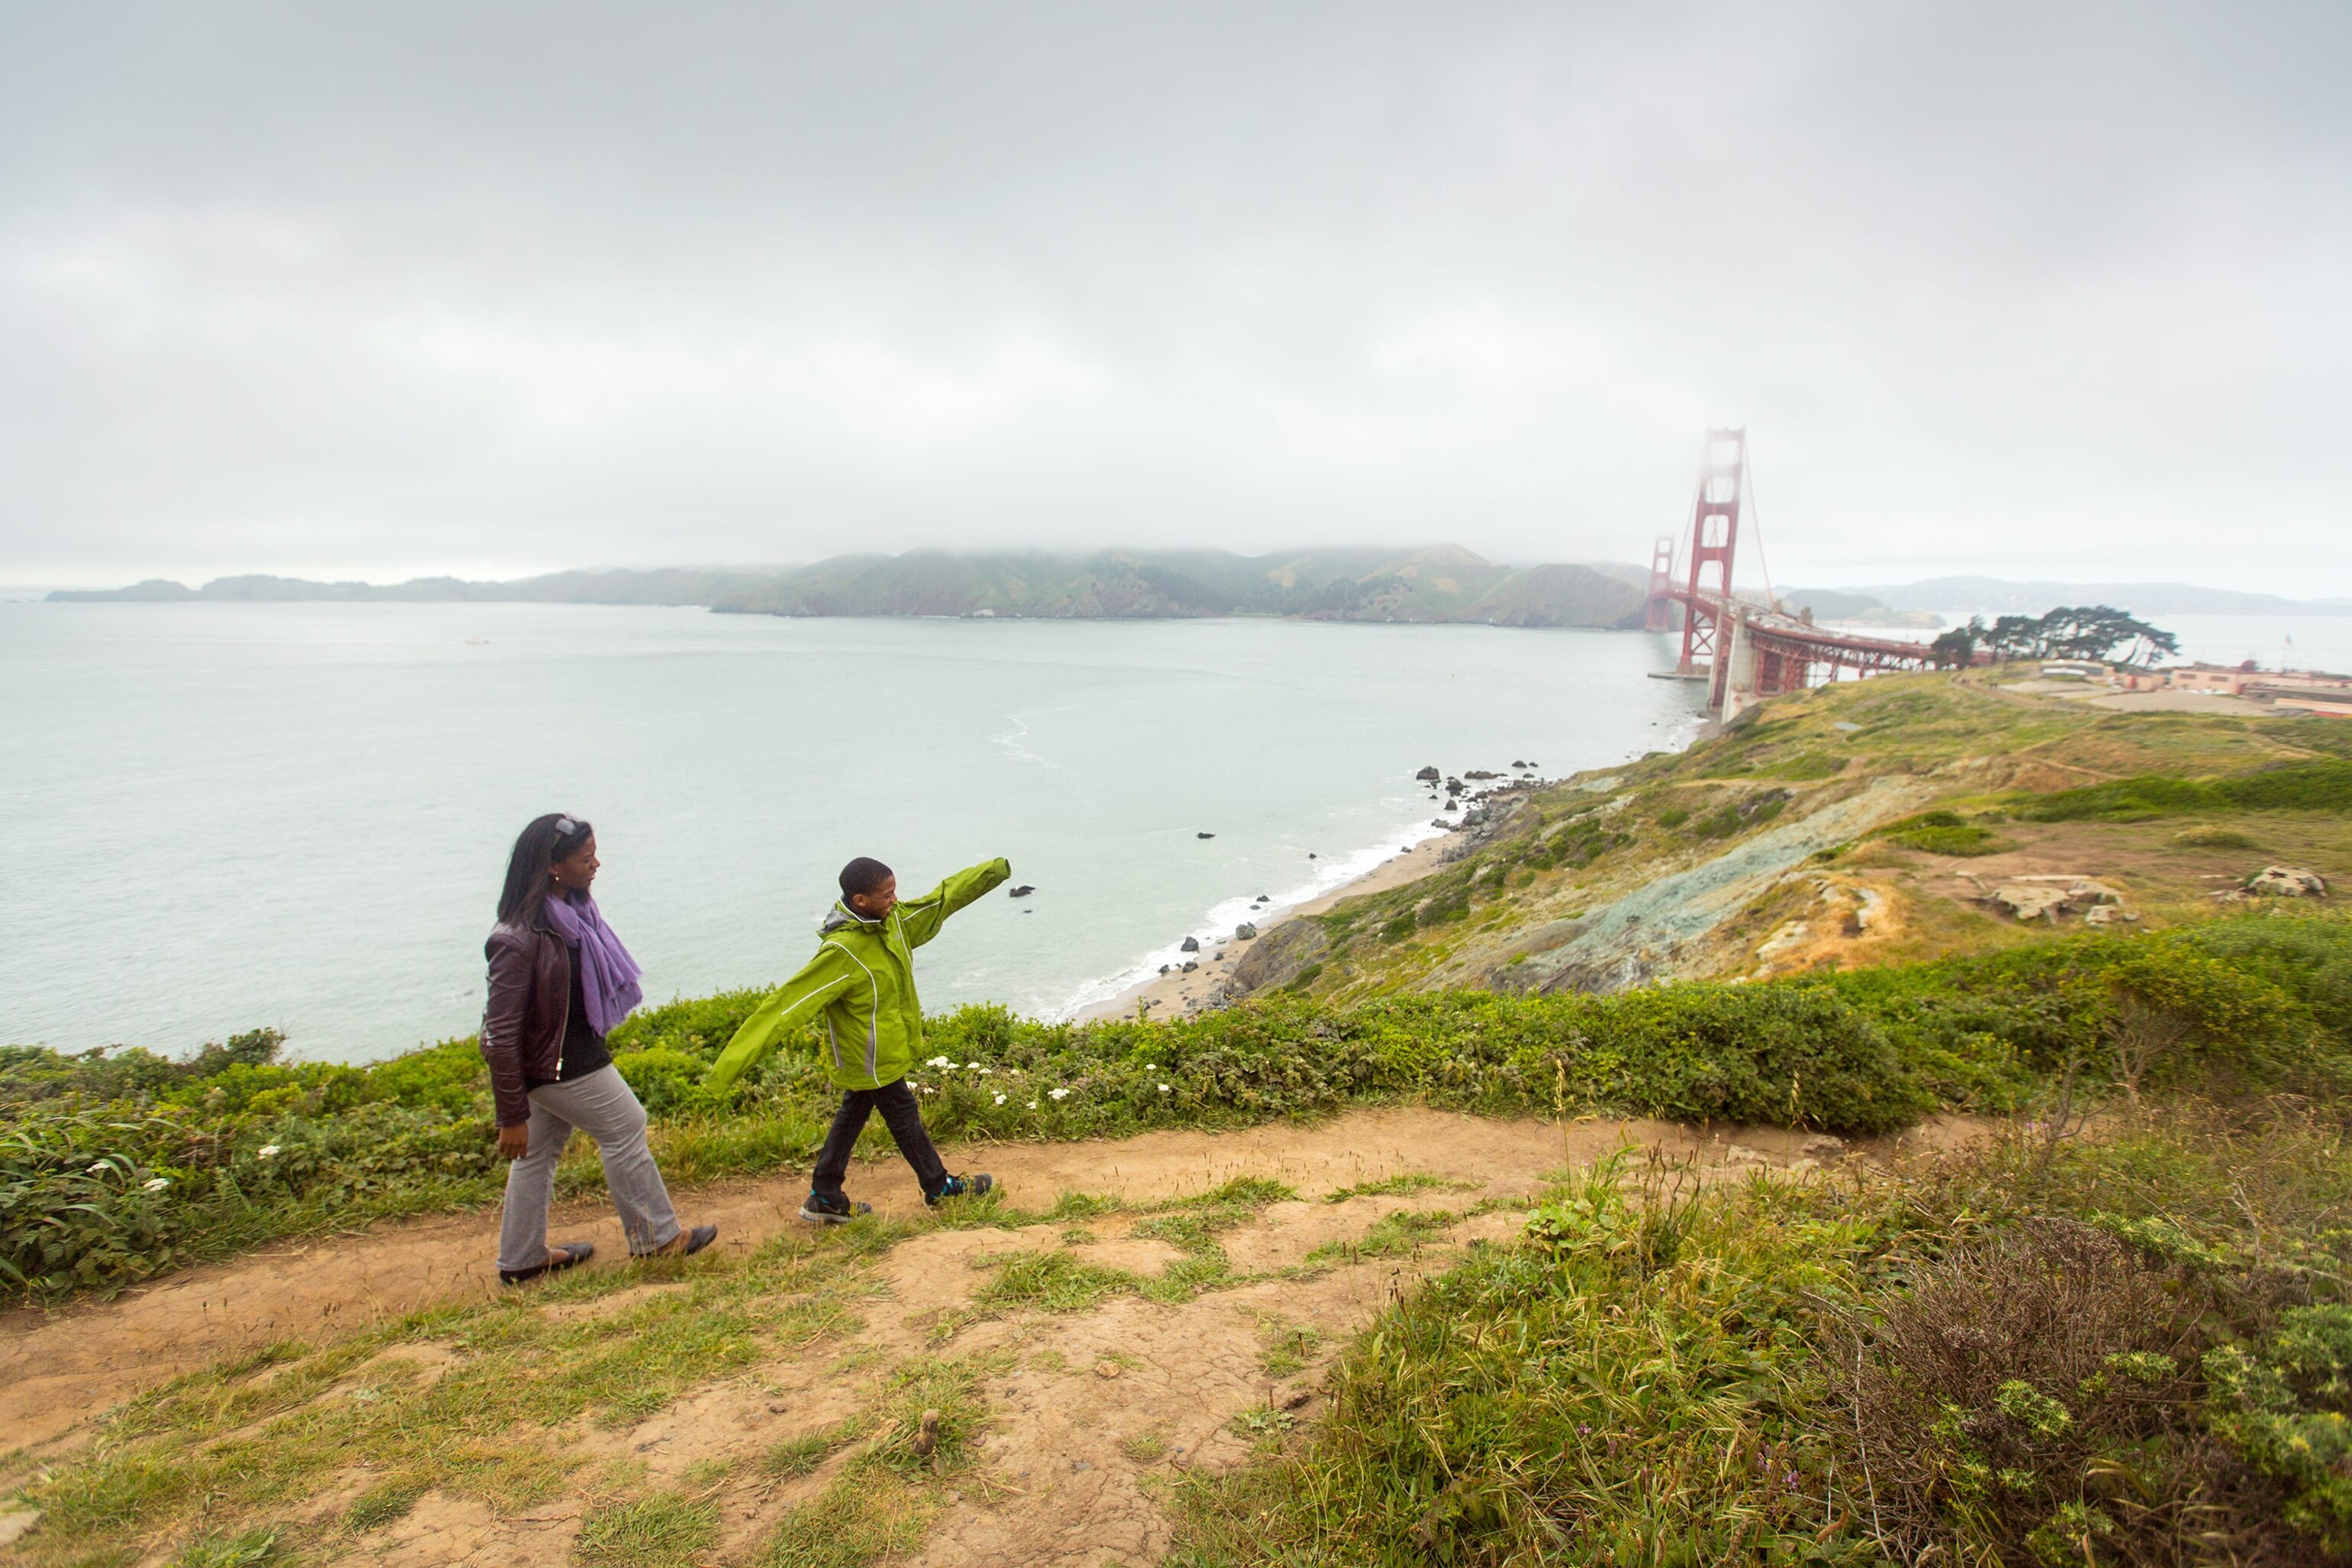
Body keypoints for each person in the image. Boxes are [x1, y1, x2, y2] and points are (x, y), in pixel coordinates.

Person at [705, 854, 1008, 1222]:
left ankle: (825, 1195)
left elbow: (940, 901)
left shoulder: (892, 922)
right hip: (868, 1057)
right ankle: (938, 1187)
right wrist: (728, 1069)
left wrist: (991, 872)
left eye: (895, 891)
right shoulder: (842, 952)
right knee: (903, 1114)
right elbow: (785, 1007)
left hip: (887, 1050)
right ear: (860, 901)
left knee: (854, 1114)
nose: (894, 899)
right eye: (887, 894)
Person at [482, 813, 715, 1284]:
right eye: (586, 859)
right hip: (562, 1066)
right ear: (553, 866)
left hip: (562, 1061)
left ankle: (522, 1258)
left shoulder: (572, 916)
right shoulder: (518, 938)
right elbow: (499, 1033)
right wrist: (510, 1116)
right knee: (626, 1127)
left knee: (538, 1155)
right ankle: (657, 1240)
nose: (596, 865)